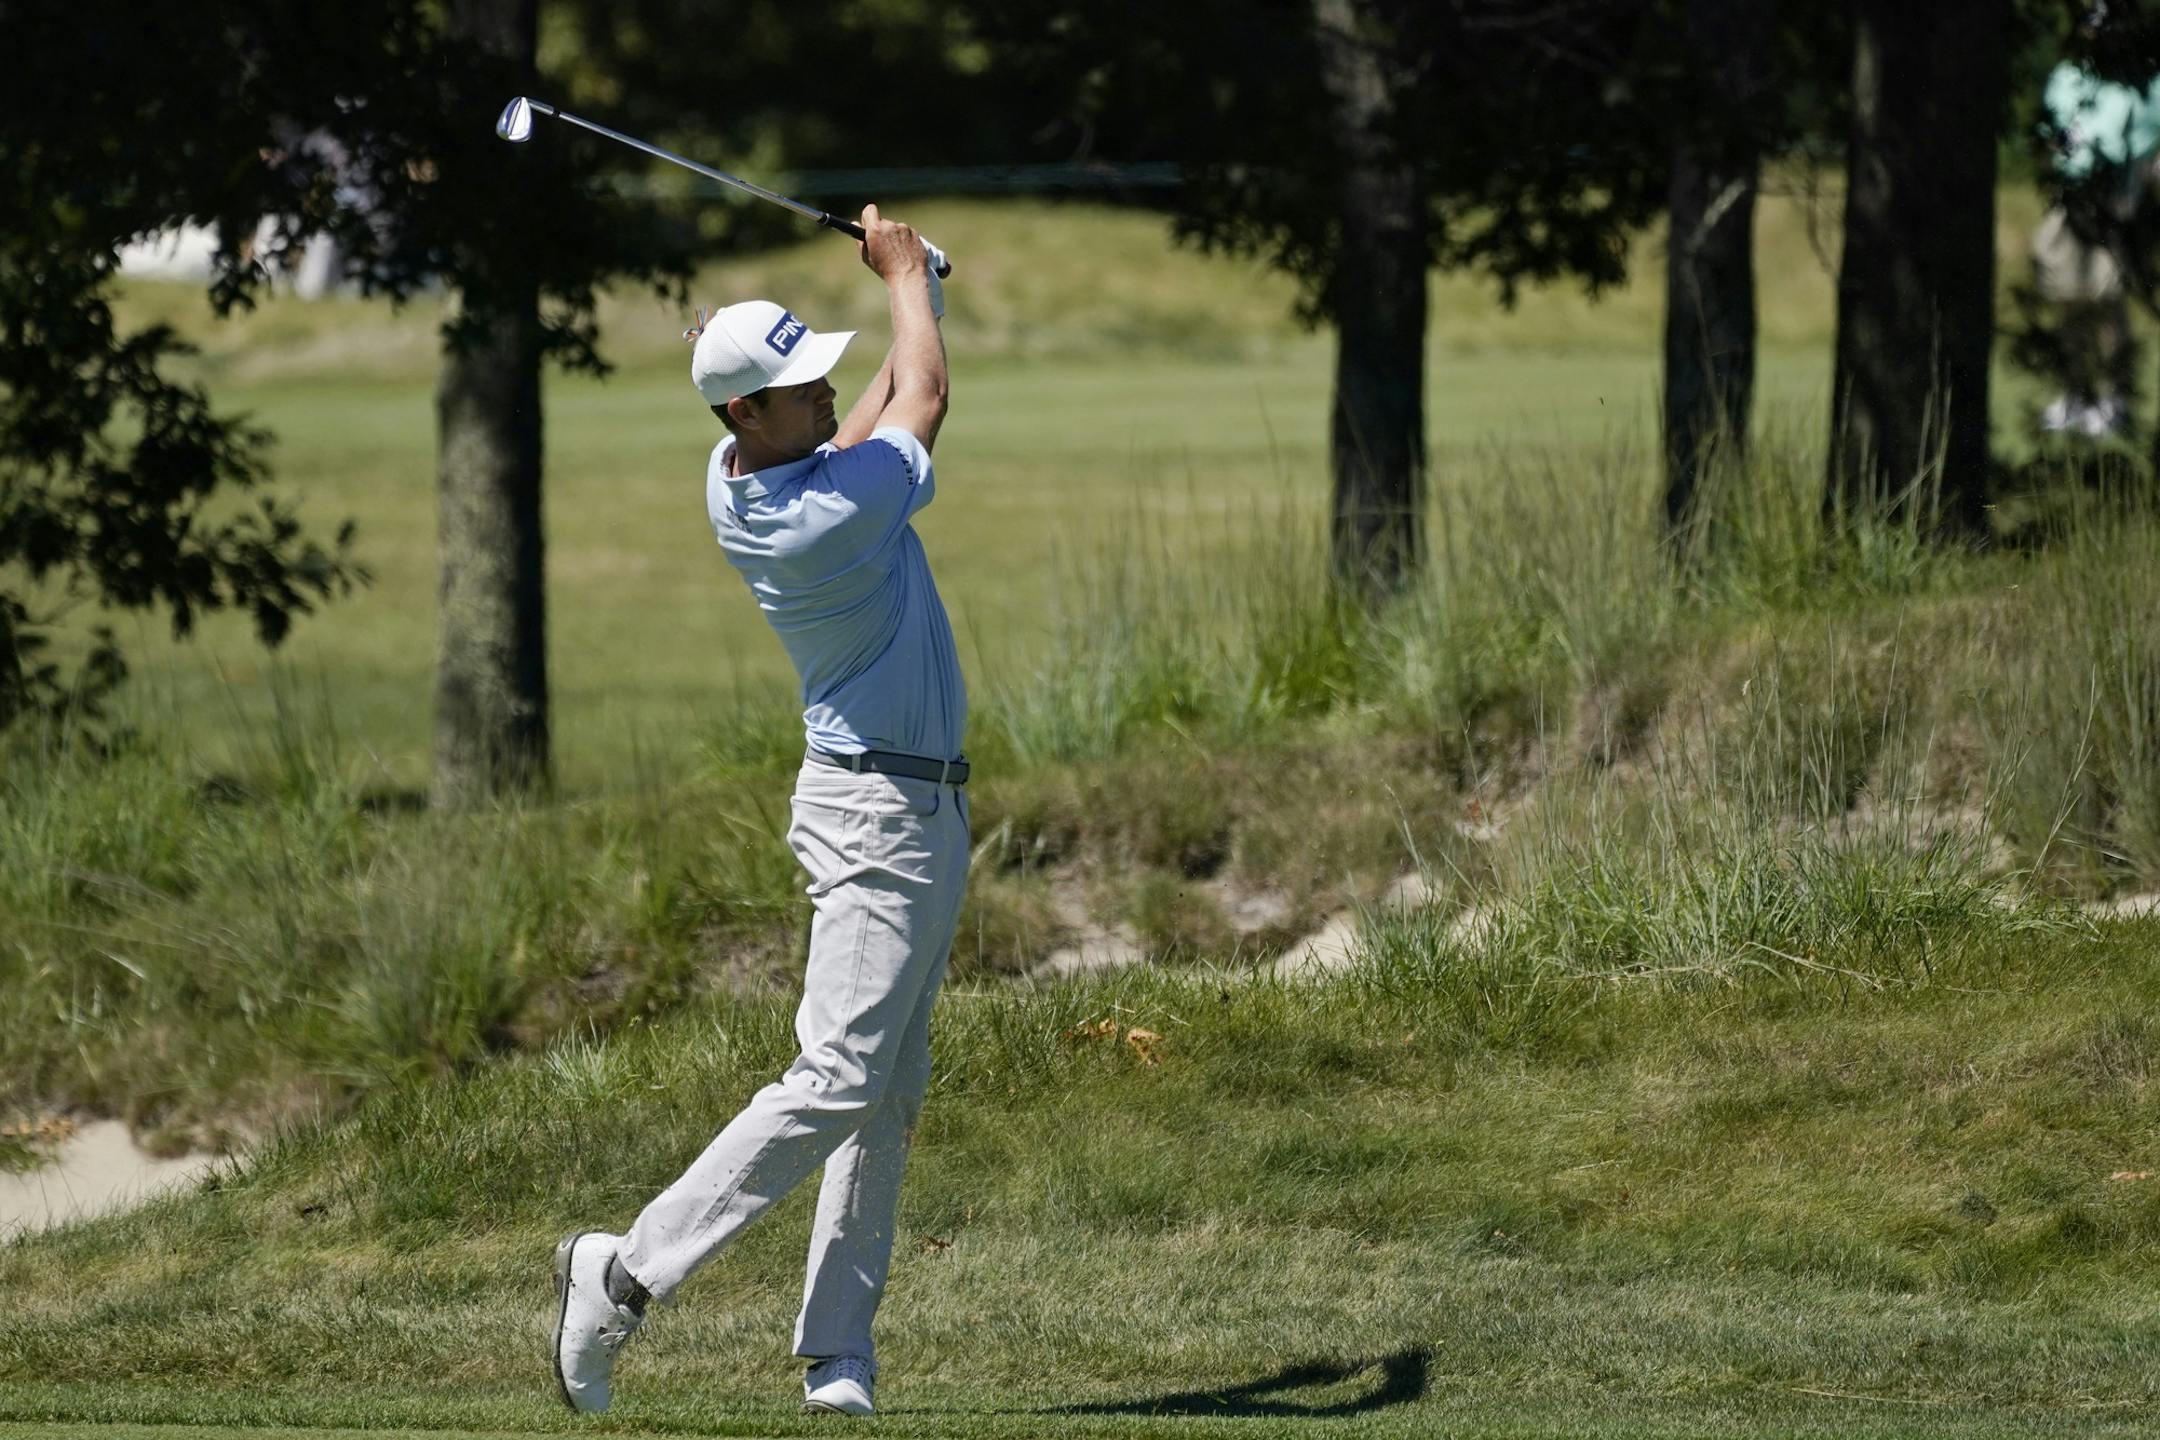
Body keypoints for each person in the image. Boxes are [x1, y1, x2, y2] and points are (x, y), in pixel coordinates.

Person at [550, 205, 967, 1419]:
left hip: (918, 806)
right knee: (839, 1073)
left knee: (884, 1088)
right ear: (744, 414)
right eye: (799, 389)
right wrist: (905, 282)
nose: (826, 394)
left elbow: (893, 385)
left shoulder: (765, 471)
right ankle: (622, 1275)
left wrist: (913, 293)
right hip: (878, 809)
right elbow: (924, 401)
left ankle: (839, 1352)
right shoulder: (820, 519)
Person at [2034, 44, 2160, 437]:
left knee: (2108, 300)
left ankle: (2114, 400)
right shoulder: (2069, 75)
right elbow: (2048, 139)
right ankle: (2077, 394)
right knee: (2068, 299)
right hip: (2072, 203)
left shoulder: (2144, 78)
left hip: (2119, 204)